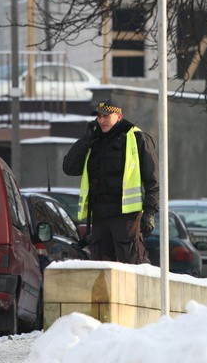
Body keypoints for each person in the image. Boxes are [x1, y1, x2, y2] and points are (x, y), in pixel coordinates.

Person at [63, 98, 159, 264]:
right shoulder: (94, 140)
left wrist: (150, 211)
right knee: (102, 271)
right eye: (99, 116)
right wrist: (85, 140)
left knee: (131, 267)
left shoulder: (137, 138)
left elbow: (153, 180)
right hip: (100, 217)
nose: (101, 120)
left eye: (106, 116)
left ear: (119, 116)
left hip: (125, 217)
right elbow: (69, 168)